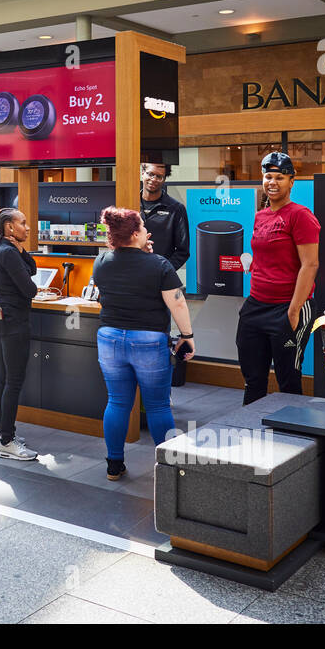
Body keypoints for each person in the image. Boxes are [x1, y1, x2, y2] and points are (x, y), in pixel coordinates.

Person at [92, 206, 195, 480]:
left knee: (117, 402)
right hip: (148, 341)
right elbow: (177, 302)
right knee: (159, 405)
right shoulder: (159, 264)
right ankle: (167, 470)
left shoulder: (101, 262)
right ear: (136, 234)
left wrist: (145, 255)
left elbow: (121, 282)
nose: (148, 231)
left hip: (110, 338)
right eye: (144, 227)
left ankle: (114, 465)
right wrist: (187, 336)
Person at [236, 151, 320, 406]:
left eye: (280, 177)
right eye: (268, 176)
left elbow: (310, 264)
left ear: (292, 182)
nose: (272, 182)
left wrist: (294, 312)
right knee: (253, 379)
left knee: (288, 381)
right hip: (256, 305)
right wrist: (251, 263)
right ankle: (249, 434)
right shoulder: (261, 215)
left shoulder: (300, 215)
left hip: (289, 307)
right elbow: (271, 253)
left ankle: (294, 441)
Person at [0, 207, 40, 460]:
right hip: (13, 321)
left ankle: (4, 435)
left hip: (5, 319)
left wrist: (21, 250)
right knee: (13, 381)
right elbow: (30, 288)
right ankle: (6, 440)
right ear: (10, 227)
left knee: (6, 379)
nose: (27, 227)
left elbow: (31, 267)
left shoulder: (5, 248)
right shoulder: (6, 252)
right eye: (23, 223)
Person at [139, 162, 190, 272]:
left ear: (164, 179)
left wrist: (165, 271)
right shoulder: (129, 204)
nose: (154, 179)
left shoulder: (176, 209)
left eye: (159, 176)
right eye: (150, 174)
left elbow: (183, 251)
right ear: (142, 173)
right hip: (132, 274)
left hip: (160, 278)